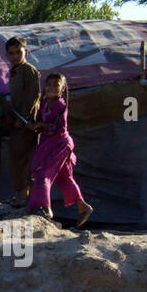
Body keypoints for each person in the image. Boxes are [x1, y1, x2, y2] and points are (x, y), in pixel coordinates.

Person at [28, 72, 94, 227]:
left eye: (55, 85)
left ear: (63, 88)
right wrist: (35, 125)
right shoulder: (44, 103)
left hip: (58, 144)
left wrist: (40, 126)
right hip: (48, 143)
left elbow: (57, 127)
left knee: (42, 173)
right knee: (64, 177)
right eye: (48, 85)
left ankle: (44, 208)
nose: (51, 88)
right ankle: (82, 207)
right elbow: (41, 122)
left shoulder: (60, 105)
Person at [5, 36, 41, 207]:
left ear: (26, 52)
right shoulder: (14, 72)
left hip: (26, 123)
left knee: (26, 159)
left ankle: (26, 196)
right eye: (10, 53)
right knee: (16, 158)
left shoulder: (29, 70)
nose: (14, 56)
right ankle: (21, 194)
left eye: (17, 52)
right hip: (15, 122)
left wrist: (24, 117)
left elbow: (33, 96)